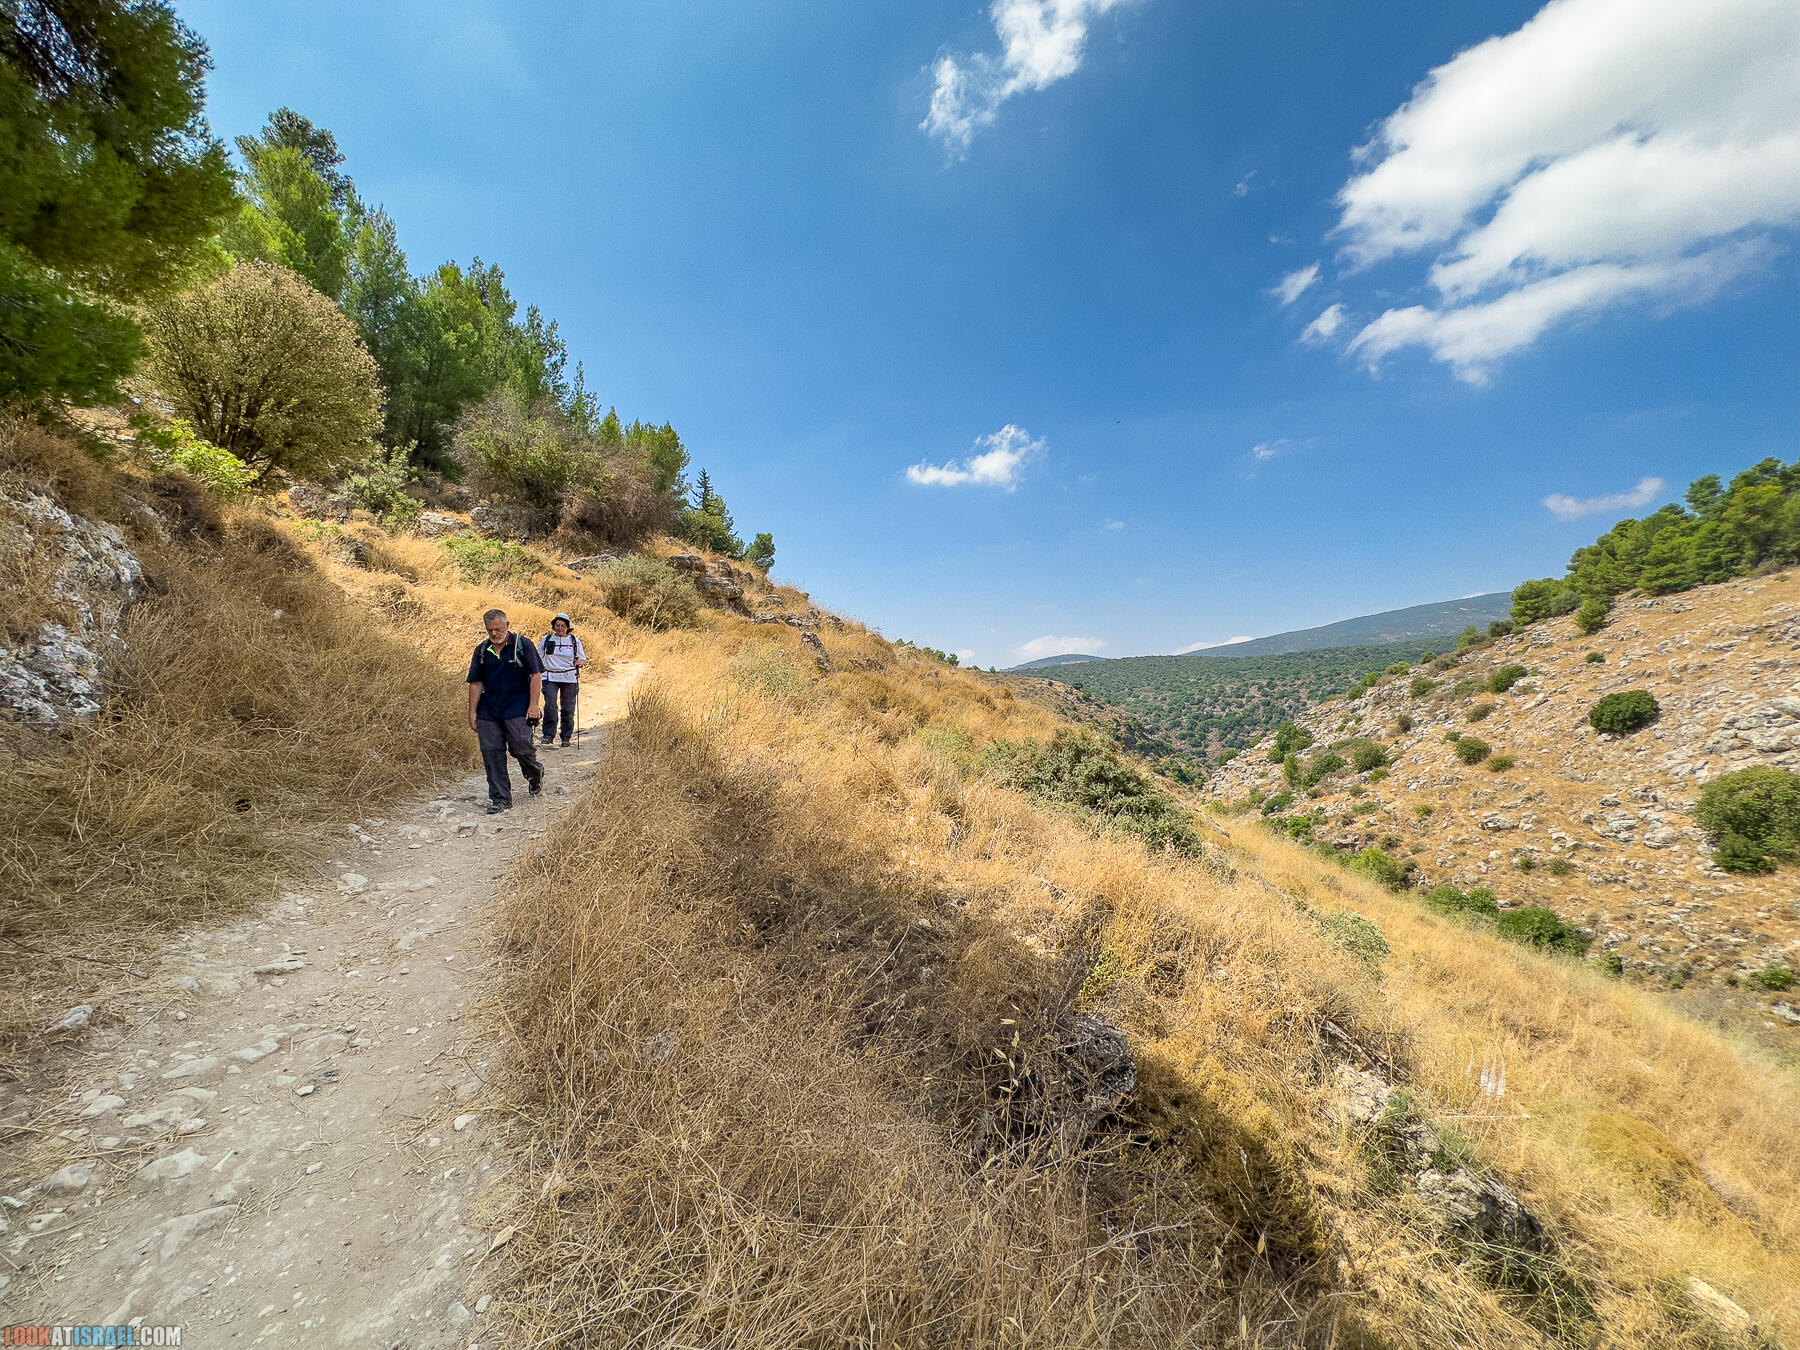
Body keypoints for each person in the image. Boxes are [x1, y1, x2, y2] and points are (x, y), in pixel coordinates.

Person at [467, 608, 545, 814]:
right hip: (488, 710)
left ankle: (534, 771)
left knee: (521, 747)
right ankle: (500, 799)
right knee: (491, 752)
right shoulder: (482, 651)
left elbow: (536, 675)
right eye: (490, 630)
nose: (494, 633)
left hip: (518, 707)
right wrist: (472, 712)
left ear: (507, 626)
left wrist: (534, 705)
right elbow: (475, 683)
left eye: (498, 629)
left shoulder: (523, 645)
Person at [537, 611, 588, 747]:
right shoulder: (546, 639)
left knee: (568, 708)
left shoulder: (574, 641)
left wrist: (579, 662)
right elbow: (537, 656)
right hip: (549, 676)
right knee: (550, 706)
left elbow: (583, 659)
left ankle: (566, 737)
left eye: (563, 626)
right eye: (557, 625)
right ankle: (548, 735)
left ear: (567, 627)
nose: (559, 628)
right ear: (553, 626)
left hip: (569, 677)